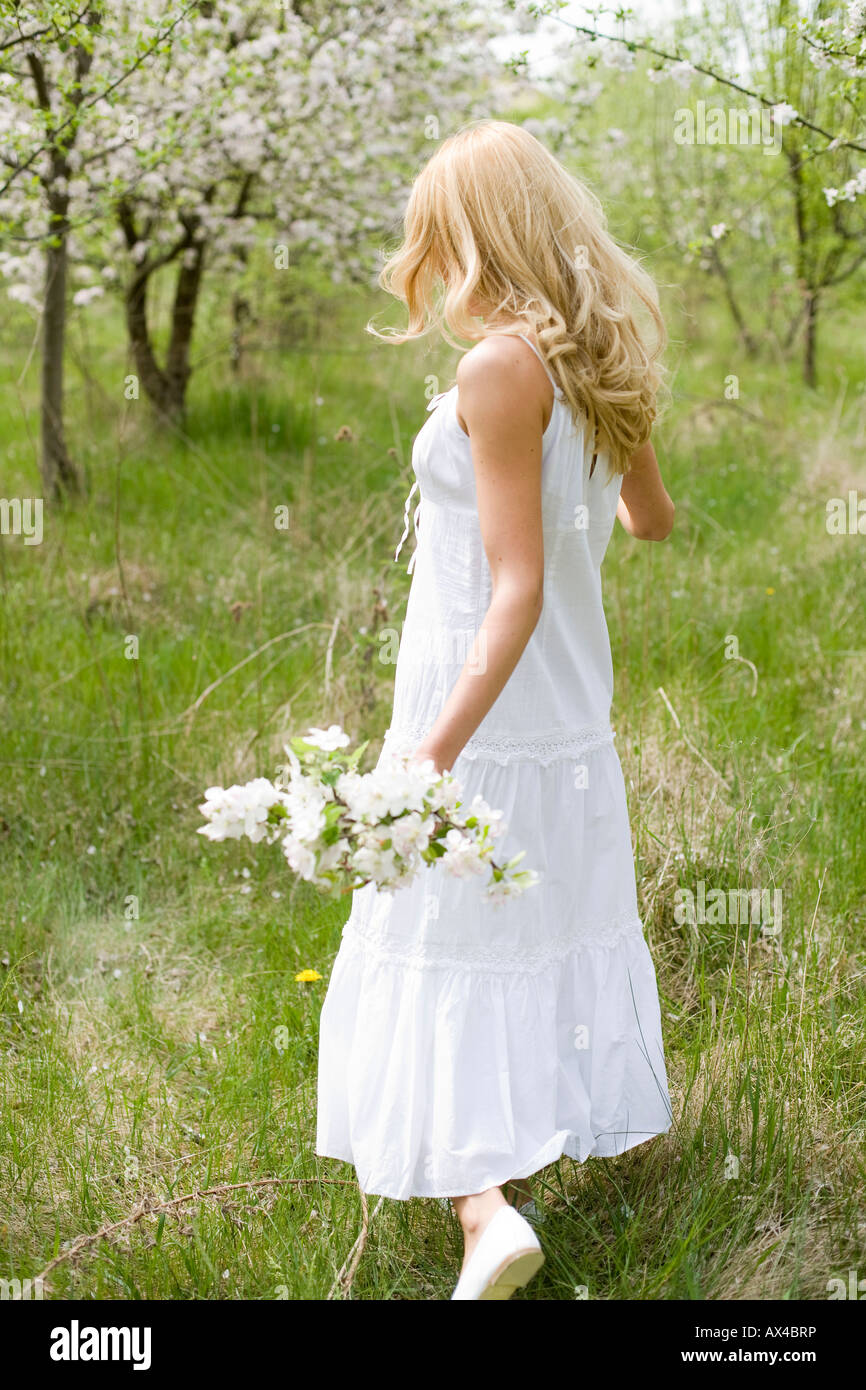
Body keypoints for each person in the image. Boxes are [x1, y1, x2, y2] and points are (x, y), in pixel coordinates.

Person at [316, 119, 675, 1300]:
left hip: (480, 706)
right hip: (565, 713)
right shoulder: (593, 353)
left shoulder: (497, 368)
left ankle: (484, 1207)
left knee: (443, 940)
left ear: (472, 235)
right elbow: (649, 521)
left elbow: (512, 587)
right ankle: (495, 1187)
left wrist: (425, 756)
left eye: (435, 235)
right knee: (513, 933)